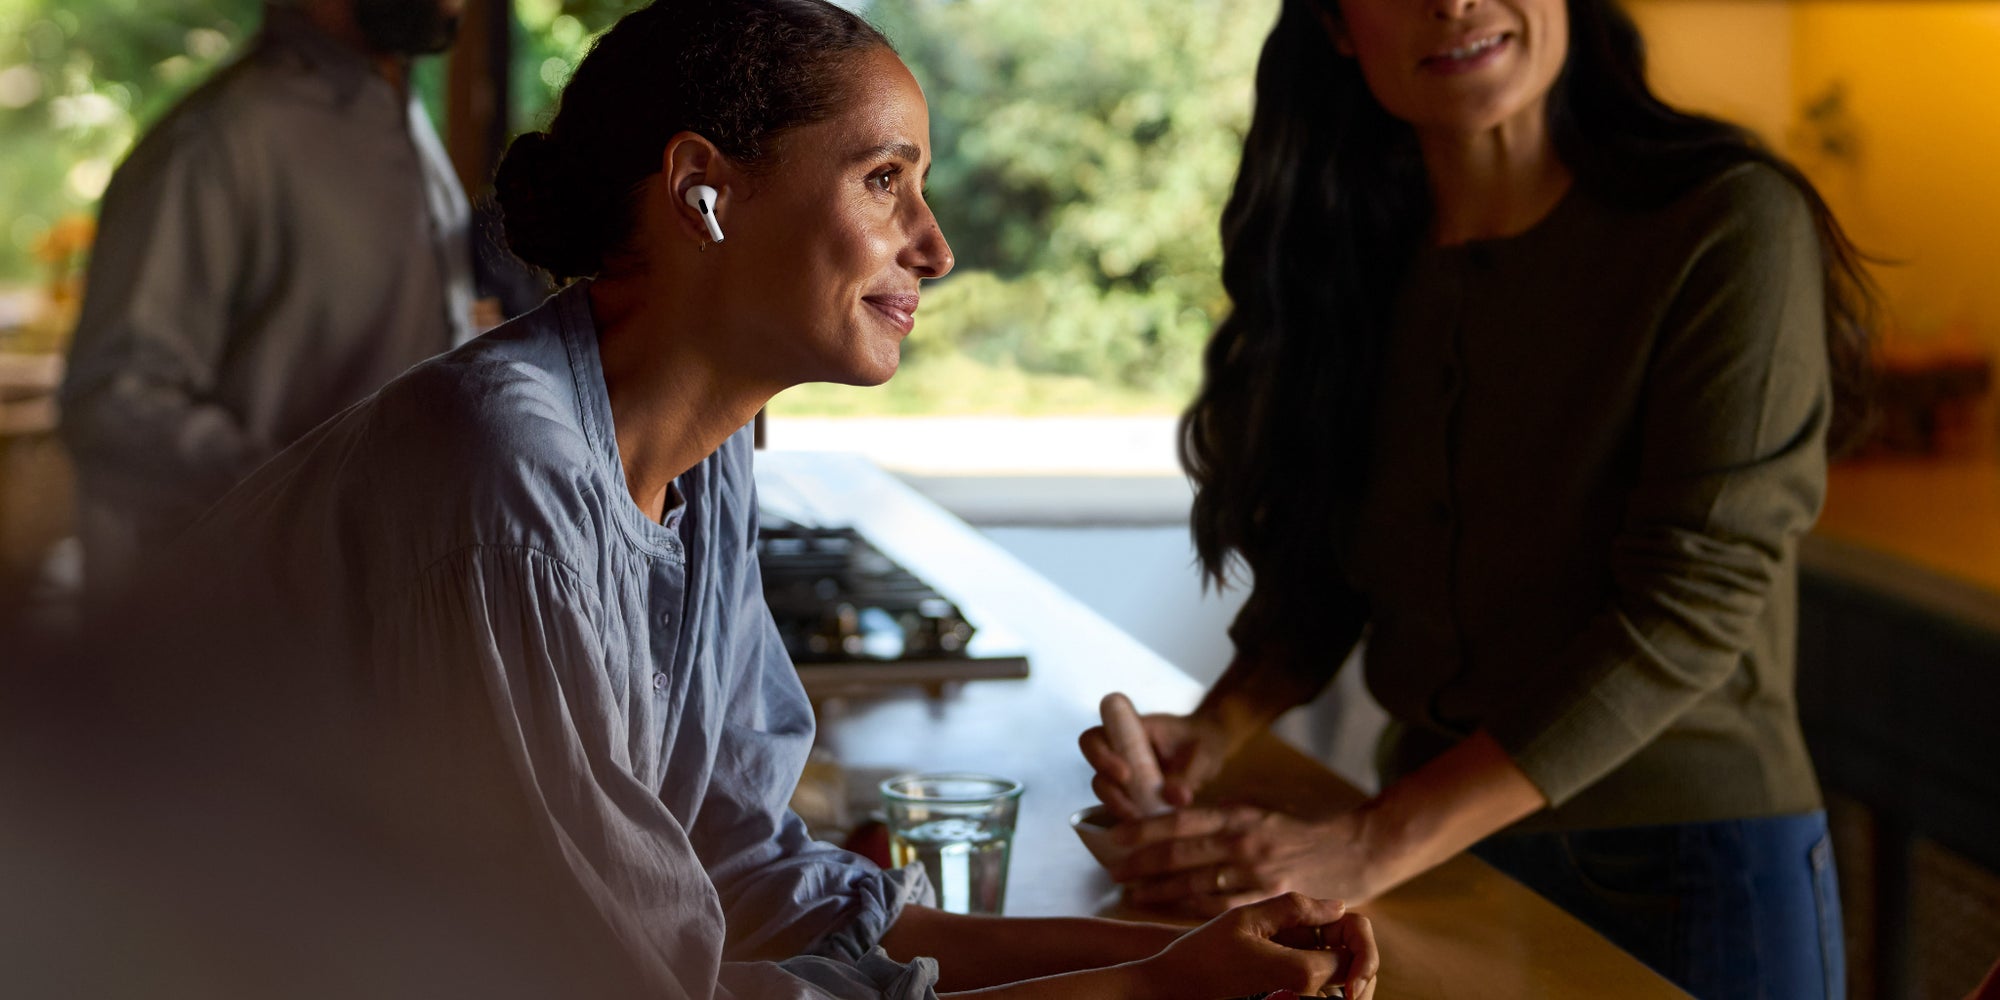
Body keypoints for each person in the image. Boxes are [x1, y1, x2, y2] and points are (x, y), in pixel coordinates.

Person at [98, 1, 1380, 997]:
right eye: (884, 180)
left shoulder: (701, 456)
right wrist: (1140, 990)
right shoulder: (507, 482)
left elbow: (747, 877)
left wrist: (1181, 947)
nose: (933, 245)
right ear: (702, 188)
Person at [1080, 0, 1872, 996]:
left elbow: (1691, 606)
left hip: (1688, 871)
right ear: (1334, 23)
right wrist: (1218, 724)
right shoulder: (1350, 247)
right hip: (1441, 862)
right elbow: (1331, 562)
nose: (1451, 2)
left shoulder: (1727, 220)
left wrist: (1371, 843)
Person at [58, 0, 485, 605]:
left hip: (396, 620)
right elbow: (114, 403)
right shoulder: (216, 143)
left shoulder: (403, 113)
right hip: (261, 643)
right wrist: (319, 507)